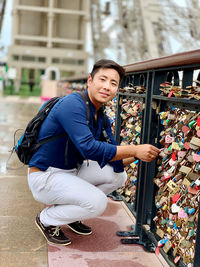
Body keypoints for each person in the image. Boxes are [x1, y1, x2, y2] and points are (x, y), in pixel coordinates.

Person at [28, 59, 160, 246]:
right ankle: (46, 219)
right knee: (98, 203)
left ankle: (72, 214)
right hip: (45, 176)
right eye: (103, 79)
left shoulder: (100, 116)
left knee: (118, 176)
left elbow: (113, 160)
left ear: (117, 89)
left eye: (113, 83)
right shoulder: (72, 104)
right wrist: (135, 149)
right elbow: (89, 147)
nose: (107, 87)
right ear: (89, 81)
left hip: (70, 172)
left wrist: (138, 154)